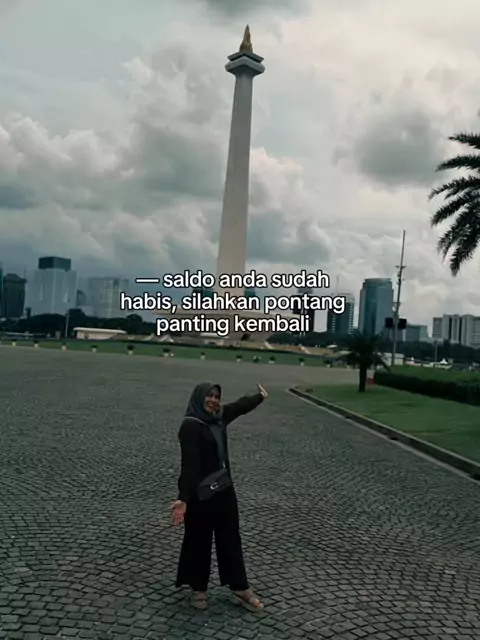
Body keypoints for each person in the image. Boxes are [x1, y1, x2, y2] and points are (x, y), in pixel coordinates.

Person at [170, 381, 267, 611]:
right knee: (198, 540)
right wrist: (183, 498)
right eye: (209, 395)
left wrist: (259, 397)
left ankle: (240, 588)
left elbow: (238, 407)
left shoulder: (219, 417)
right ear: (199, 397)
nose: (213, 400)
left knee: (230, 538)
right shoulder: (191, 426)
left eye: (216, 396)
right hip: (200, 494)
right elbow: (189, 466)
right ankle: (198, 589)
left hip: (223, 488)